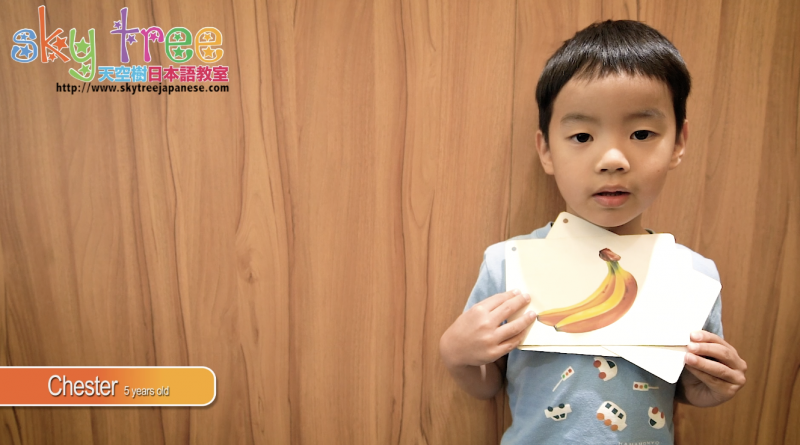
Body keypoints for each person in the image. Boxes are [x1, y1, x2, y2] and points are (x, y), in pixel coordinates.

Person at [439, 20, 747, 444]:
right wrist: (456, 356)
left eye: (642, 133)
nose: (613, 159)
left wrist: (713, 388)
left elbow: (686, 387)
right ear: (546, 149)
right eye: (582, 135)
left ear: (678, 141)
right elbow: (489, 384)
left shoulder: (693, 276)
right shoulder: (508, 264)